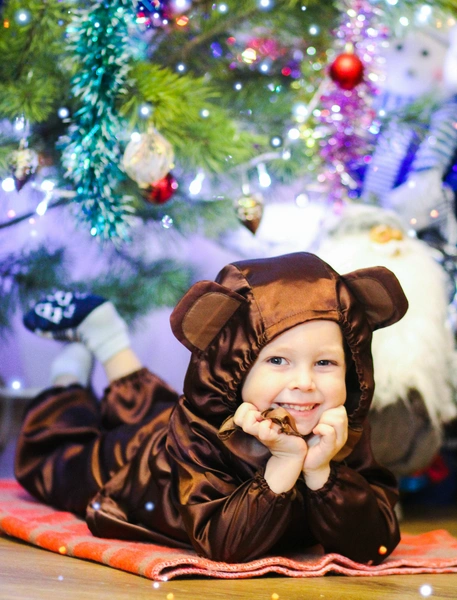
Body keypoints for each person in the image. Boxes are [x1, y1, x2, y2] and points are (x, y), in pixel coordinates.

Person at [15, 252, 407, 564]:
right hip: (140, 468)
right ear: (234, 368)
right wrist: (284, 464)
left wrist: (322, 470)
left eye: (325, 363)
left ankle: (107, 340)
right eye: (277, 361)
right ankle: (69, 375)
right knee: (56, 461)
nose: (305, 383)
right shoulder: (201, 432)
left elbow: (374, 545)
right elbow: (224, 547)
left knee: (154, 409)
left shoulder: (339, 427)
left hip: (169, 421)